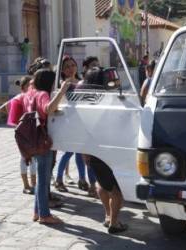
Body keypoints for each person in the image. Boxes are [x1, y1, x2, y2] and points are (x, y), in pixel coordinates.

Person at [21, 68, 70, 224]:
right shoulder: (42, 94)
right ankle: (44, 215)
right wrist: (62, 91)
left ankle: (37, 211)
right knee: (43, 180)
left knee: (41, 178)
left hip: (32, 140)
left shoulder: (30, 93)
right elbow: (48, 109)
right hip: (42, 142)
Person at [82, 67, 127, 234]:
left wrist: (84, 151)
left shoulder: (84, 100)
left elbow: (82, 128)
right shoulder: (107, 99)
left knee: (102, 184)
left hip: (93, 151)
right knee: (117, 191)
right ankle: (114, 223)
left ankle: (108, 216)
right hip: (110, 150)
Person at [55, 56, 92, 193]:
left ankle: (82, 179)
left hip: (83, 121)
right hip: (70, 122)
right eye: (67, 67)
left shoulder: (82, 81)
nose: (70, 69)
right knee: (69, 151)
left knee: (81, 152)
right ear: (62, 71)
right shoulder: (64, 84)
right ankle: (59, 178)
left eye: (72, 65)